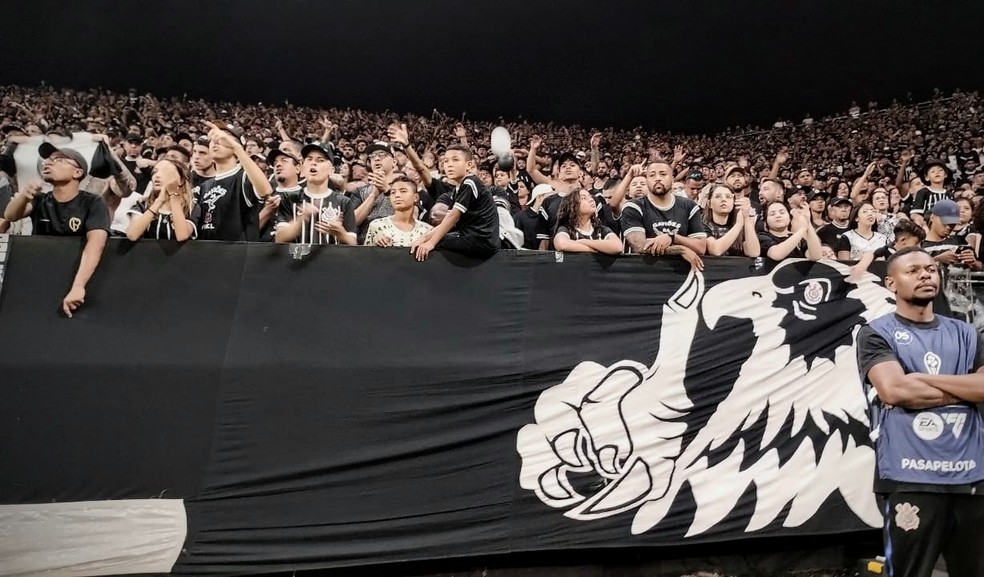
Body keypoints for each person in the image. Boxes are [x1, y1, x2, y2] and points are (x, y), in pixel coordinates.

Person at [856, 246, 984, 577]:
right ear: (891, 284)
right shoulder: (876, 333)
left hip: (972, 476)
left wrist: (922, 379)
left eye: (930, 268)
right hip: (909, 477)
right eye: (912, 271)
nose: (925, 274)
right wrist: (962, 389)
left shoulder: (966, 332)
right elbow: (896, 391)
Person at [2, 142, 108, 317]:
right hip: (40, 278)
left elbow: (95, 246)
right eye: (48, 160)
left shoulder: (93, 202)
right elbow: (11, 215)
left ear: (77, 172)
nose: (48, 163)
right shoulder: (41, 200)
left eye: (59, 160)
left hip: (75, 279)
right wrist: (23, 196)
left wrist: (79, 286)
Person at [409, 144, 500, 261]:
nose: (449, 164)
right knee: (431, 239)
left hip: (482, 240)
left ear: (469, 165)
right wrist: (425, 237)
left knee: (435, 243)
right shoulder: (458, 189)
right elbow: (450, 219)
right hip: (472, 237)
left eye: (455, 160)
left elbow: (453, 216)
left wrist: (430, 243)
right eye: (446, 161)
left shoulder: (470, 182)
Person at [196, 122, 273, 241]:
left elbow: (265, 190)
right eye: (212, 139)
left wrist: (237, 149)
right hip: (208, 253)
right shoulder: (204, 186)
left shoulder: (243, 177)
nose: (216, 142)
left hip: (238, 255)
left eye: (222, 139)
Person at [621, 161, 706, 269]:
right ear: (646, 180)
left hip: (679, 274)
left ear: (672, 178)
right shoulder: (633, 206)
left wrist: (672, 238)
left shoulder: (689, 206)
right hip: (642, 272)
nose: (657, 178)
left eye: (663, 174)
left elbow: (701, 247)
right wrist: (680, 249)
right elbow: (640, 245)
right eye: (652, 175)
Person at [274, 142, 357, 245]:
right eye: (309, 159)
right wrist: (301, 219)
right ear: (303, 169)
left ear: (331, 171)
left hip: (332, 259)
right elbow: (279, 238)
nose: (313, 163)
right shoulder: (289, 198)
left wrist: (341, 234)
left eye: (320, 160)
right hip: (298, 259)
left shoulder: (344, 202)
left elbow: (353, 243)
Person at [125, 159, 198, 241]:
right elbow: (132, 235)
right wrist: (159, 201)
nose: (157, 175)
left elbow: (182, 235)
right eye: (154, 172)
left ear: (181, 180)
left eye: (165, 171)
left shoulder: (191, 207)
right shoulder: (142, 204)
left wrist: (173, 196)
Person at [363, 174, 433, 247]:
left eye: (403, 191)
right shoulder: (377, 226)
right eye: (393, 192)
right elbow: (367, 256)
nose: (397, 195)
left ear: (415, 197)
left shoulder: (427, 230)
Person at [551, 189, 622, 255]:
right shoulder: (567, 229)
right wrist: (596, 250)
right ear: (573, 206)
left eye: (590, 196)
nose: (591, 200)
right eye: (584, 198)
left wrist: (584, 241)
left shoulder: (601, 230)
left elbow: (617, 246)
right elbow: (562, 244)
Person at [701, 183, 760, 257]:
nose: (723, 199)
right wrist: (738, 225)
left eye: (728, 197)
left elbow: (754, 253)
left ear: (734, 202)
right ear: (709, 204)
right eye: (718, 196)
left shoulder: (742, 226)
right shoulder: (702, 225)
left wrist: (746, 217)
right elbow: (715, 250)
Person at [757, 201, 822, 263]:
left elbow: (816, 256)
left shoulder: (799, 239)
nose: (778, 216)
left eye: (782, 212)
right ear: (765, 222)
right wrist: (803, 229)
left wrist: (808, 222)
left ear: (789, 218)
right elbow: (776, 255)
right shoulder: (762, 237)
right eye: (772, 214)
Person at [909, 159, 953, 227]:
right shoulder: (923, 192)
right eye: (932, 171)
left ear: (945, 175)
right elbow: (914, 214)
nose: (937, 172)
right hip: (927, 228)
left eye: (940, 170)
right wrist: (922, 224)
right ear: (926, 177)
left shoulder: (949, 194)